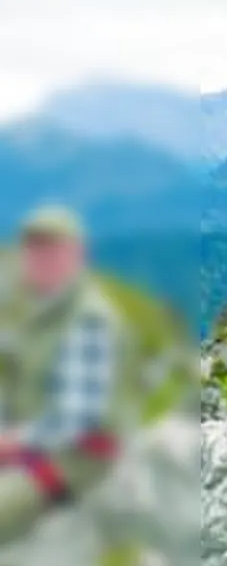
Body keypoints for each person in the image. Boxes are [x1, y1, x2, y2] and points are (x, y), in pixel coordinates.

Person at [0, 206, 138, 540]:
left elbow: (76, 420)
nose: (41, 259)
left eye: (52, 250)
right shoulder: (30, 312)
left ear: (76, 254)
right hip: (28, 446)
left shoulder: (88, 319)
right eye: (34, 250)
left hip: (77, 459)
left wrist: (12, 442)